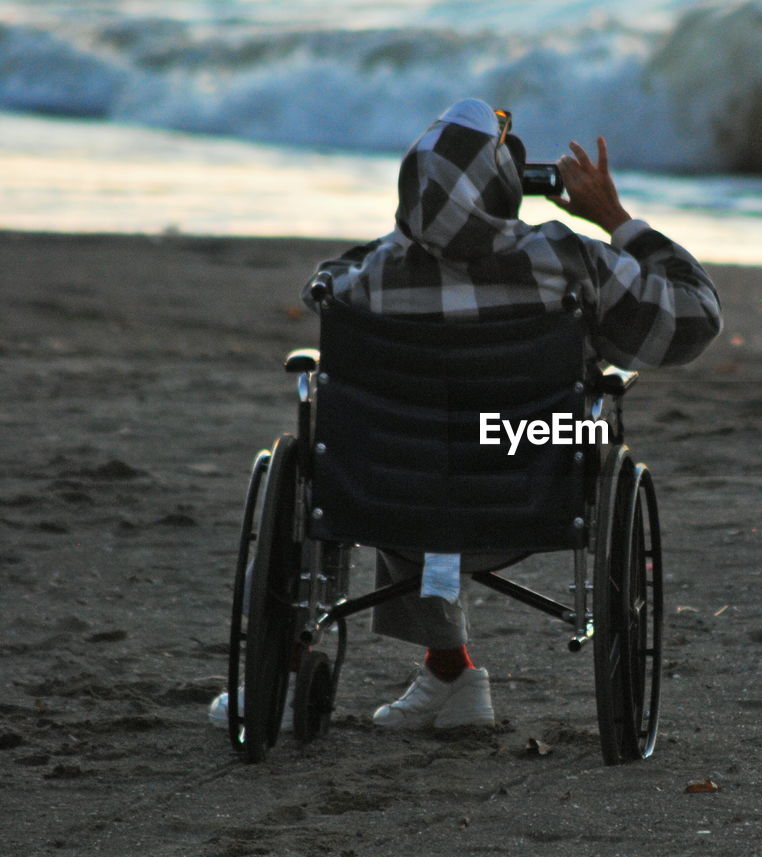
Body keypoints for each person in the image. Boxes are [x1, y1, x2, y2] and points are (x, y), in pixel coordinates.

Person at [209, 97, 721, 733]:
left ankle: (337, 674)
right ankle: (451, 678)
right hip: (534, 479)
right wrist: (613, 217)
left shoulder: (366, 281)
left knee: (381, 433)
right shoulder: (571, 261)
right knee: (530, 426)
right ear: (506, 186)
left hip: (389, 496)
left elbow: (325, 278)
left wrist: (418, 235)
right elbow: (696, 320)